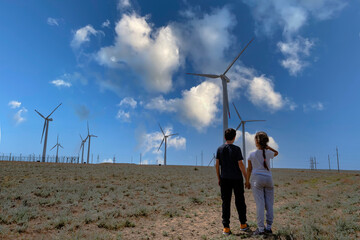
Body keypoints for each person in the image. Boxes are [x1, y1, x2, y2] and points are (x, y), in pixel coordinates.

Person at [216, 128, 249, 235]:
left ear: (225, 137)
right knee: (240, 201)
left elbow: (217, 165)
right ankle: (243, 224)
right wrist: (246, 178)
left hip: (224, 178)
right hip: (237, 179)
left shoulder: (220, 149)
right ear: (234, 137)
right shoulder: (237, 149)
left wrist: (219, 178)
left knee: (226, 202)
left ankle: (226, 227)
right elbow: (241, 164)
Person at [245, 131, 278, 235]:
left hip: (256, 179)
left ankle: (260, 229)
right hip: (268, 179)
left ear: (256, 141)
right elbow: (276, 153)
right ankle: (269, 227)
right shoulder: (268, 153)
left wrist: (247, 181)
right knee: (269, 204)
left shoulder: (251, 154)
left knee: (260, 204)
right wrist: (268, 147)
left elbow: (249, 169)